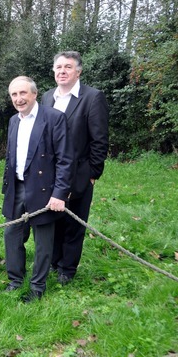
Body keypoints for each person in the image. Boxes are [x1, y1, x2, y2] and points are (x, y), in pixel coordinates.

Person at [2, 76, 73, 302]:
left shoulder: (54, 118)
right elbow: (10, 156)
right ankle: (15, 280)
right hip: (17, 187)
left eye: (23, 93)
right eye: (14, 94)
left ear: (34, 94)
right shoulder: (14, 120)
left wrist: (59, 193)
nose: (18, 99)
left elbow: (65, 160)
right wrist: (7, 186)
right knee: (11, 235)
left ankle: (37, 286)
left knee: (43, 242)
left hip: (44, 190)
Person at [41, 51, 109, 285]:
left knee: (74, 222)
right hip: (51, 173)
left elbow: (99, 140)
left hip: (79, 173)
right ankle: (54, 261)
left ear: (78, 72)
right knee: (54, 218)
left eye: (68, 67)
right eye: (58, 67)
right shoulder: (47, 97)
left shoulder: (92, 98)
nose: (62, 71)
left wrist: (92, 175)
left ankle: (67, 269)